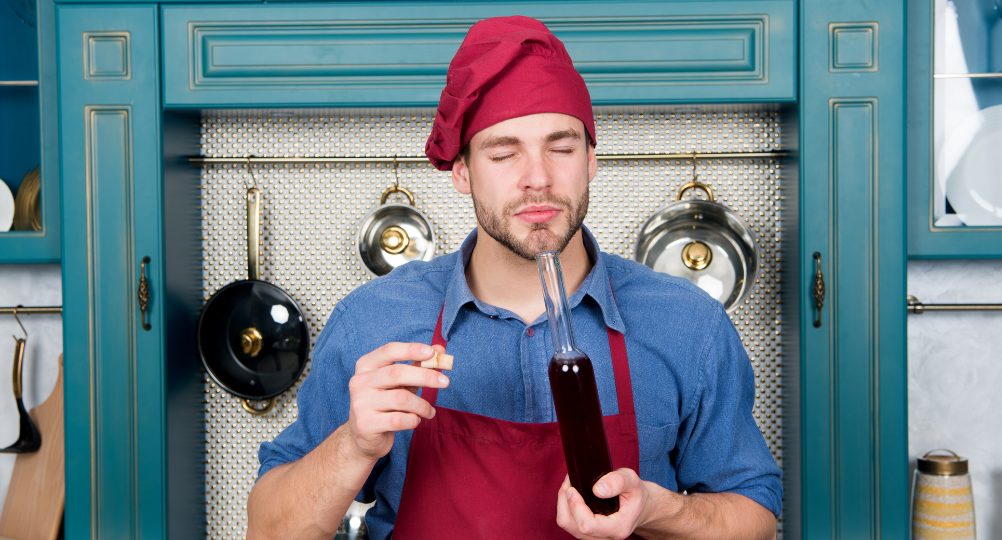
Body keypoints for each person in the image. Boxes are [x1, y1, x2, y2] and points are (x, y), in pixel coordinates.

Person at [248, 15, 782, 540]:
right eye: (504, 152)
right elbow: (269, 530)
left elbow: (754, 516)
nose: (538, 179)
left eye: (562, 146)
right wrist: (354, 446)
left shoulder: (687, 323)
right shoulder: (374, 322)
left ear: (592, 159)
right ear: (461, 172)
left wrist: (659, 511)